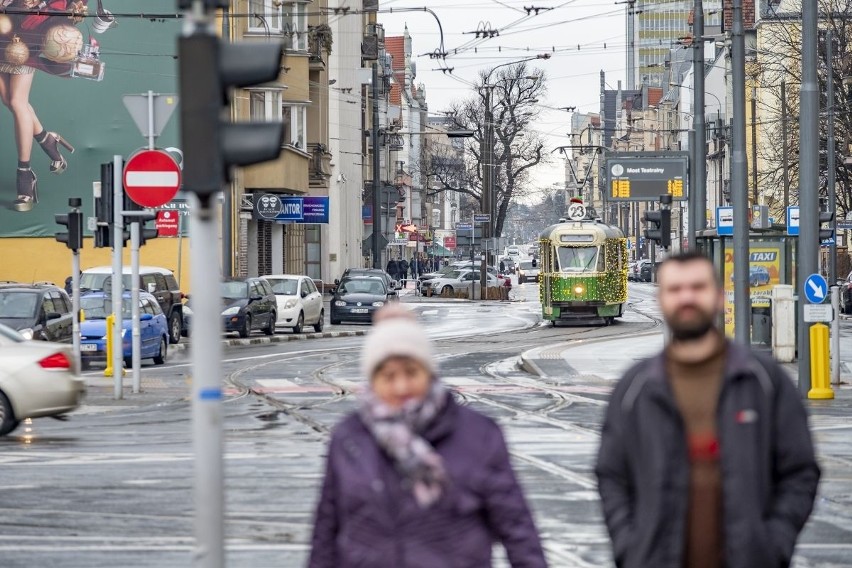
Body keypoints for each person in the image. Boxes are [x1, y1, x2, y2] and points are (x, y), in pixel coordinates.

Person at [595, 252, 820, 568]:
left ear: (717, 297)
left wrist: (773, 545)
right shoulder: (636, 388)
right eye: (675, 289)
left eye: (698, 287)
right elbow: (612, 475)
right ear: (661, 300)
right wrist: (629, 547)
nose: (687, 297)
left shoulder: (763, 381)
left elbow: (800, 471)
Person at [308, 305, 547, 568]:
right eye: (388, 376)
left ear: (429, 372)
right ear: (372, 381)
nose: (401, 386)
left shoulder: (478, 436)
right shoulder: (350, 439)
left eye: (411, 372)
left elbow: (517, 529)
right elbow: (326, 533)